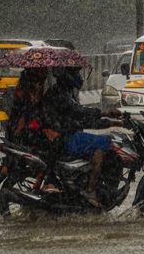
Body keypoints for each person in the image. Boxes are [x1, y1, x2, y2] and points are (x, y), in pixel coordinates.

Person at [42, 67, 112, 208]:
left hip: (67, 132)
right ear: (67, 76)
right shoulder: (59, 94)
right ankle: (90, 190)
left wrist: (111, 121)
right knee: (106, 142)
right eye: (76, 74)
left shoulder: (66, 93)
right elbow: (79, 112)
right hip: (64, 136)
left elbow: (80, 118)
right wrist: (104, 113)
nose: (79, 77)